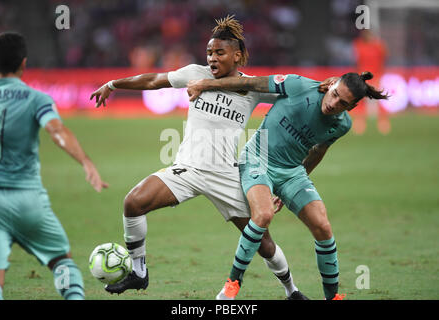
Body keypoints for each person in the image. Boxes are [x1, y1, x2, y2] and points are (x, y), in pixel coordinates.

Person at [91, 15, 333, 299]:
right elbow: (156, 79)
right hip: (188, 169)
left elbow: (293, 90)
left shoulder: (253, 87)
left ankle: (291, 290)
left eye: (220, 52)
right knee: (133, 202)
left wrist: (327, 87)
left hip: (226, 175)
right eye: (209, 52)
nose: (212, 58)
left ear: (238, 55)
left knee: (263, 242)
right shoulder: (196, 73)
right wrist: (114, 83)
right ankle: (139, 271)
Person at [187, 71, 389, 300]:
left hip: (292, 171)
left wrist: (294, 185)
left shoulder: (342, 126)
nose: (334, 104)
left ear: (351, 107)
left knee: (322, 226)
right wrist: (205, 84)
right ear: (332, 84)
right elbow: (249, 82)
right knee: (263, 215)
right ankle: (230, 287)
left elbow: (318, 151)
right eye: (334, 95)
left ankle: (332, 297)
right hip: (257, 158)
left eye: (343, 103)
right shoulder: (297, 85)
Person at [0, 32, 109, 300]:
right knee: (62, 263)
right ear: (23, 63)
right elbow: (56, 131)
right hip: (27, 199)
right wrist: (85, 161)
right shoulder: (36, 99)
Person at [352, 30, 390, 135]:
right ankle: (360, 124)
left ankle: (383, 124)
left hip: (375, 76)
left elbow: (384, 59)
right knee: (360, 100)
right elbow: (357, 61)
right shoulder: (360, 45)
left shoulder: (378, 46)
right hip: (363, 77)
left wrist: (380, 75)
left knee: (378, 99)